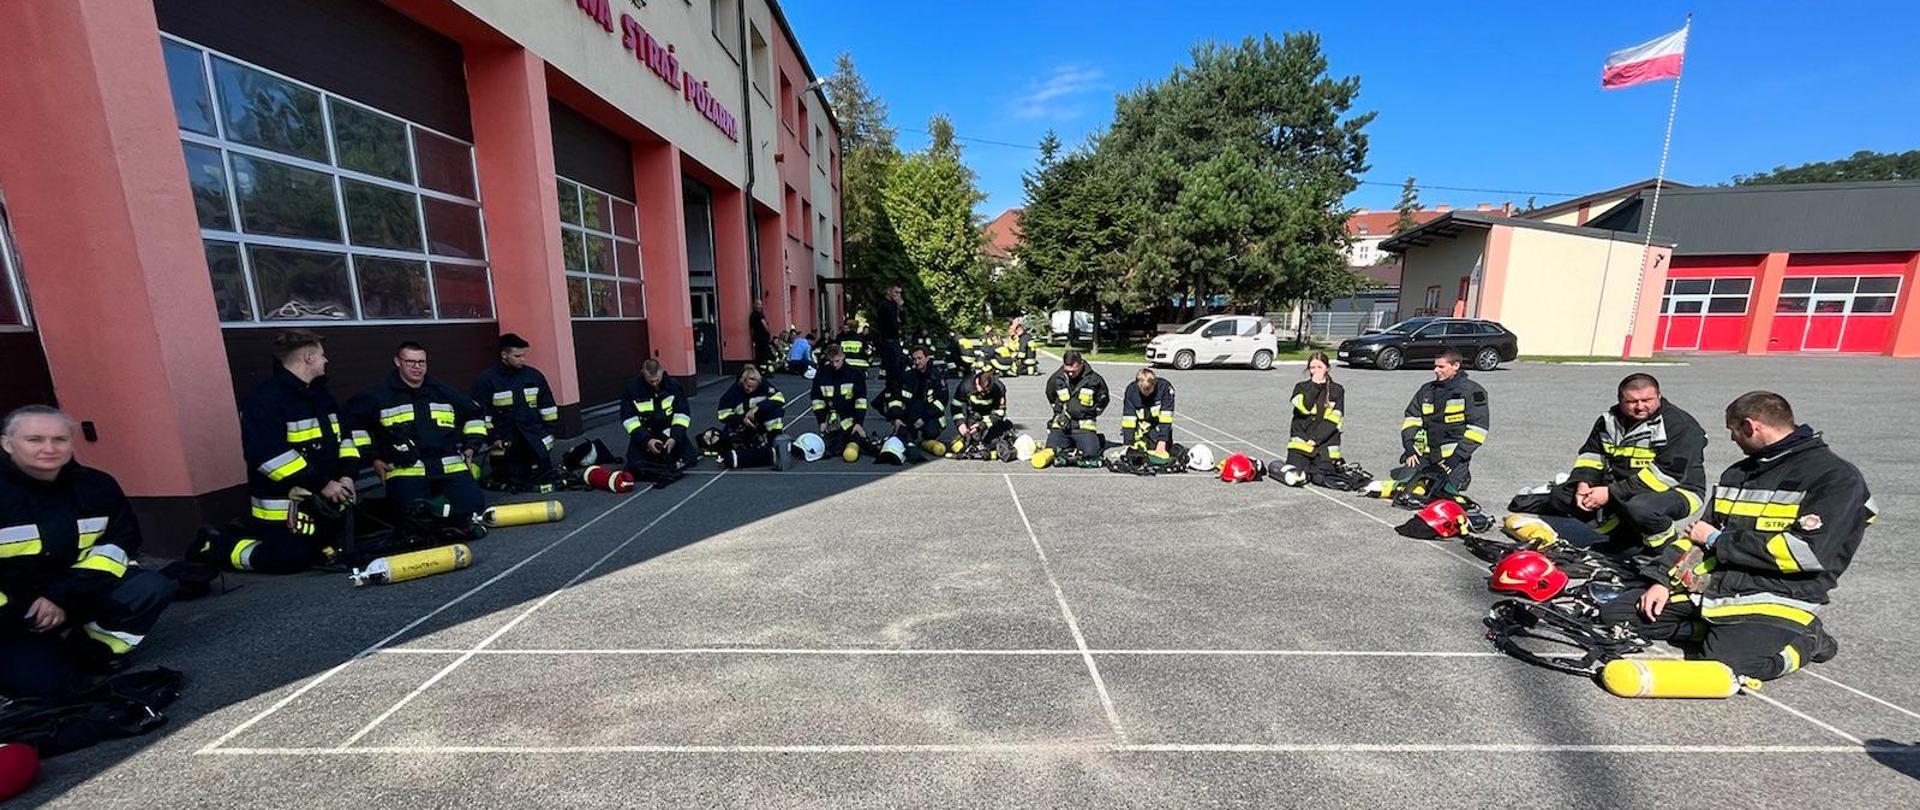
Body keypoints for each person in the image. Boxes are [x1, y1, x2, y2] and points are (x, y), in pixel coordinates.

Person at [1600, 391, 1871, 682]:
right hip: (1719, 588)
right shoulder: (1739, 473)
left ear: (1750, 426)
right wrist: (1662, 581)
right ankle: (1711, 631)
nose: (1732, 439)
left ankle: (1809, 639)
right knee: (1618, 615)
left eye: (1733, 431)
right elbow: (1696, 535)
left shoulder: (1835, 478)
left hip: (1779, 595)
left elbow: (1806, 553)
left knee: (1725, 666)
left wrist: (1717, 541)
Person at [1, 406, 177, 697]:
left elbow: (120, 543)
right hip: (15, 611)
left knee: (150, 587)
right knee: (47, 689)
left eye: (60, 439)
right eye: (34, 440)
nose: (49, 448)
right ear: (7, 443)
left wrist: (60, 596)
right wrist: (28, 604)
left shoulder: (97, 486)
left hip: (77, 593)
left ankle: (93, 649)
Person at [195, 330, 360, 573]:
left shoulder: (320, 396)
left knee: (333, 550)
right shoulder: (265, 401)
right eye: (322, 355)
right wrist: (323, 483)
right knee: (289, 560)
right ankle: (215, 545)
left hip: (323, 502)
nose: (326, 360)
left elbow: (344, 437)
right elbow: (270, 457)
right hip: (283, 506)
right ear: (308, 358)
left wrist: (347, 475)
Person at [1518, 374, 1707, 550]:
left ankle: (1663, 550)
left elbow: (1668, 475)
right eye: (1631, 402)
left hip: (1679, 489)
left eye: (1647, 400)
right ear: (1620, 400)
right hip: (1625, 486)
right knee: (1564, 495)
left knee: (1641, 507)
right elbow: (1591, 456)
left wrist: (1611, 493)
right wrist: (1584, 483)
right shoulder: (1608, 422)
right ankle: (1624, 540)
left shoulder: (1679, 425)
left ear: (1659, 396)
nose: (1640, 407)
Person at [346, 342, 489, 525]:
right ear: (398, 362)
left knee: (472, 509)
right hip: (406, 469)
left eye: (422, 362)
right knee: (411, 516)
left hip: (447, 467)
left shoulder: (443, 392)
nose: (417, 367)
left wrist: (471, 447)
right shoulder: (378, 396)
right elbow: (355, 426)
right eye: (411, 362)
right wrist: (373, 458)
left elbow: (475, 414)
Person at [1371, 348, 1488, 504]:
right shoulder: (1427, 390)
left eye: (1441, 366)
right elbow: (1412, 418)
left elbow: (1478, 430)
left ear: (1455, 366)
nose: (1436, 370)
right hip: (1424, 453)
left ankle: (1462, 475)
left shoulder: (1472, 392)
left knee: (1442, 493)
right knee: (1405, 487)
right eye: (1435, 366)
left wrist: (1456, 458)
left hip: (1451, 457)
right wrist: (1409, 446)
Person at [471, 333, 560, 492]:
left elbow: (548, 408)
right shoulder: (486, 380)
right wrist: (493, 437)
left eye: (524, 355)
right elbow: (480, 414)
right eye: (517, 356)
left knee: (541, 475)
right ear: (504, 355)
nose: (523, 360)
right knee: (510, 477)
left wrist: (550, 433)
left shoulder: (534, 376)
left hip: (534, 439)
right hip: (505, 441)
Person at [1276, 352, 1346, 487]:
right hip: (1302, 440)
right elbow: (1304, 408)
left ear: (1327, 368)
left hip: (1324, 442)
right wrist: (1314, 386)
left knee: (1321, 477)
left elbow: (1335, 419)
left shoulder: (1337, 390)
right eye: (1312, 367)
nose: (1316, 371)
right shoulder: (1301, 387)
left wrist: (1315, 439)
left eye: (1320, 367)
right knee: (1296, 476)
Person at [621, 359, 697, 476]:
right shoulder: (633, 390)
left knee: (689, 457)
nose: (654, 383)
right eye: (650, 381)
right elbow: (629, 420)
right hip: (645, 433)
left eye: (657, 380)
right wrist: (647, 440)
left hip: (669, 431)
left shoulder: (673, 386)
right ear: (643, 373)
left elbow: (682, 414)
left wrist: (674, 438)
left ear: (661, 371)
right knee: (635, 465)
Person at [878, 346, 948, 452]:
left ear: (927, 358)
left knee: (931, 432)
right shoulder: (907, 377)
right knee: (905, 435)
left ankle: (925, 439)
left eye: (920, 358)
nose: (917, 362)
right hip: (910, 413)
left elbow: (941, 403)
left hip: (929, 415)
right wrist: (896, 418)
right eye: (914, 359)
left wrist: (923, 419)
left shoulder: (936, 378)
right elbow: (895, 398)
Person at [809, 343, 872, 460]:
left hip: (849, 419)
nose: (834, 365)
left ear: (843, 356)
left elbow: (860, 401)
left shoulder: (855, 374)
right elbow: (817, 400)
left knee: (855, 441)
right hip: (831, 421)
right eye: (831, 361)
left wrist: (858, 423)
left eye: (837, 361)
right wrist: (821, 421)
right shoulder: (822, 374)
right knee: (828, 446)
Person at [1043, 351, 1109, 459]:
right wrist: (1059, 411)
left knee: (1090, 454)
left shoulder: (1094, 380)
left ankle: (1097, 440)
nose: (1070, 374)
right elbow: (1051, 395)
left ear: (1081, 364)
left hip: (1083, 427)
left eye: (1073, 371)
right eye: (1067, 371)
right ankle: (1067, 442)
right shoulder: (1056, 378)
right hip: (1062, 425)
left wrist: (1090, 413)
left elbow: (1103, 400)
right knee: (1052, 452)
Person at [715, 365, 788, 450]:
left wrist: (758, 408)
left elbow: (779, 398)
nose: (751, 390)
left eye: (754, 387)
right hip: (740, 423)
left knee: (777, 411)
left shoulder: (763, 385)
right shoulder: (733, 392)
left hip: (759, 418)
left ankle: (774, 440)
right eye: (748, 386)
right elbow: (722, 415)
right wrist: (742, 419)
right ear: (742, 381)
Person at [949, 367, 1010, 455]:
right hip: (974, 416)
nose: (983, 394)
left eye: (986, 392)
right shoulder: (965, 386)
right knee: (973, 438)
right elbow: (956, 406)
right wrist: (960, 423)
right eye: (982, 390)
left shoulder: (999, 388)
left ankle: (1006, 429)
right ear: (977, 382)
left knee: (992, 441)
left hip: (991, 418)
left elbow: (999, 412)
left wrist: (983, 425)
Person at [1120, 368, 1176, 457]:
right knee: (1136, 455)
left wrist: (1162, 441)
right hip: (1140, 427)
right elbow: (1128, 419)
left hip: (1157, 426)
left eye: (1149, 390)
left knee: (1162, 451)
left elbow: (1166, 418)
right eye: (1143, 390)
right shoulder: (1131, 391)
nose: (1147, 394)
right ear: (1138, 385)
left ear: (1154, 384)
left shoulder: (1165, 389)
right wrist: (1128, 444)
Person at [876, 284, 905, 384]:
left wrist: (900, 307)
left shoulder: (894, 305)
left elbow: (903, 321)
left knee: (898, 367)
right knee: (893, 369)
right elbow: (891, 324)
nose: (898, 295)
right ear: (889, 291)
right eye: (896, 292)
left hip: (895, 340)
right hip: (888, 341)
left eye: (899, 293)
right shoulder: (884, 305)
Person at [749, 300, 775, 376]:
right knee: (765, 355)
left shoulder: (752, 316)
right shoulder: (759, 315)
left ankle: (760, 371)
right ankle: (765, 371)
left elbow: (751, 329)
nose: (760, 306)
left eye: (760, 304)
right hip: (763, 338)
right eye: (759, 305)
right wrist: (769, 333)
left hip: (757, 338)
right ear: (755, 306)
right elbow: (765, 325)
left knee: (759, 355)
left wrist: (753, 338)